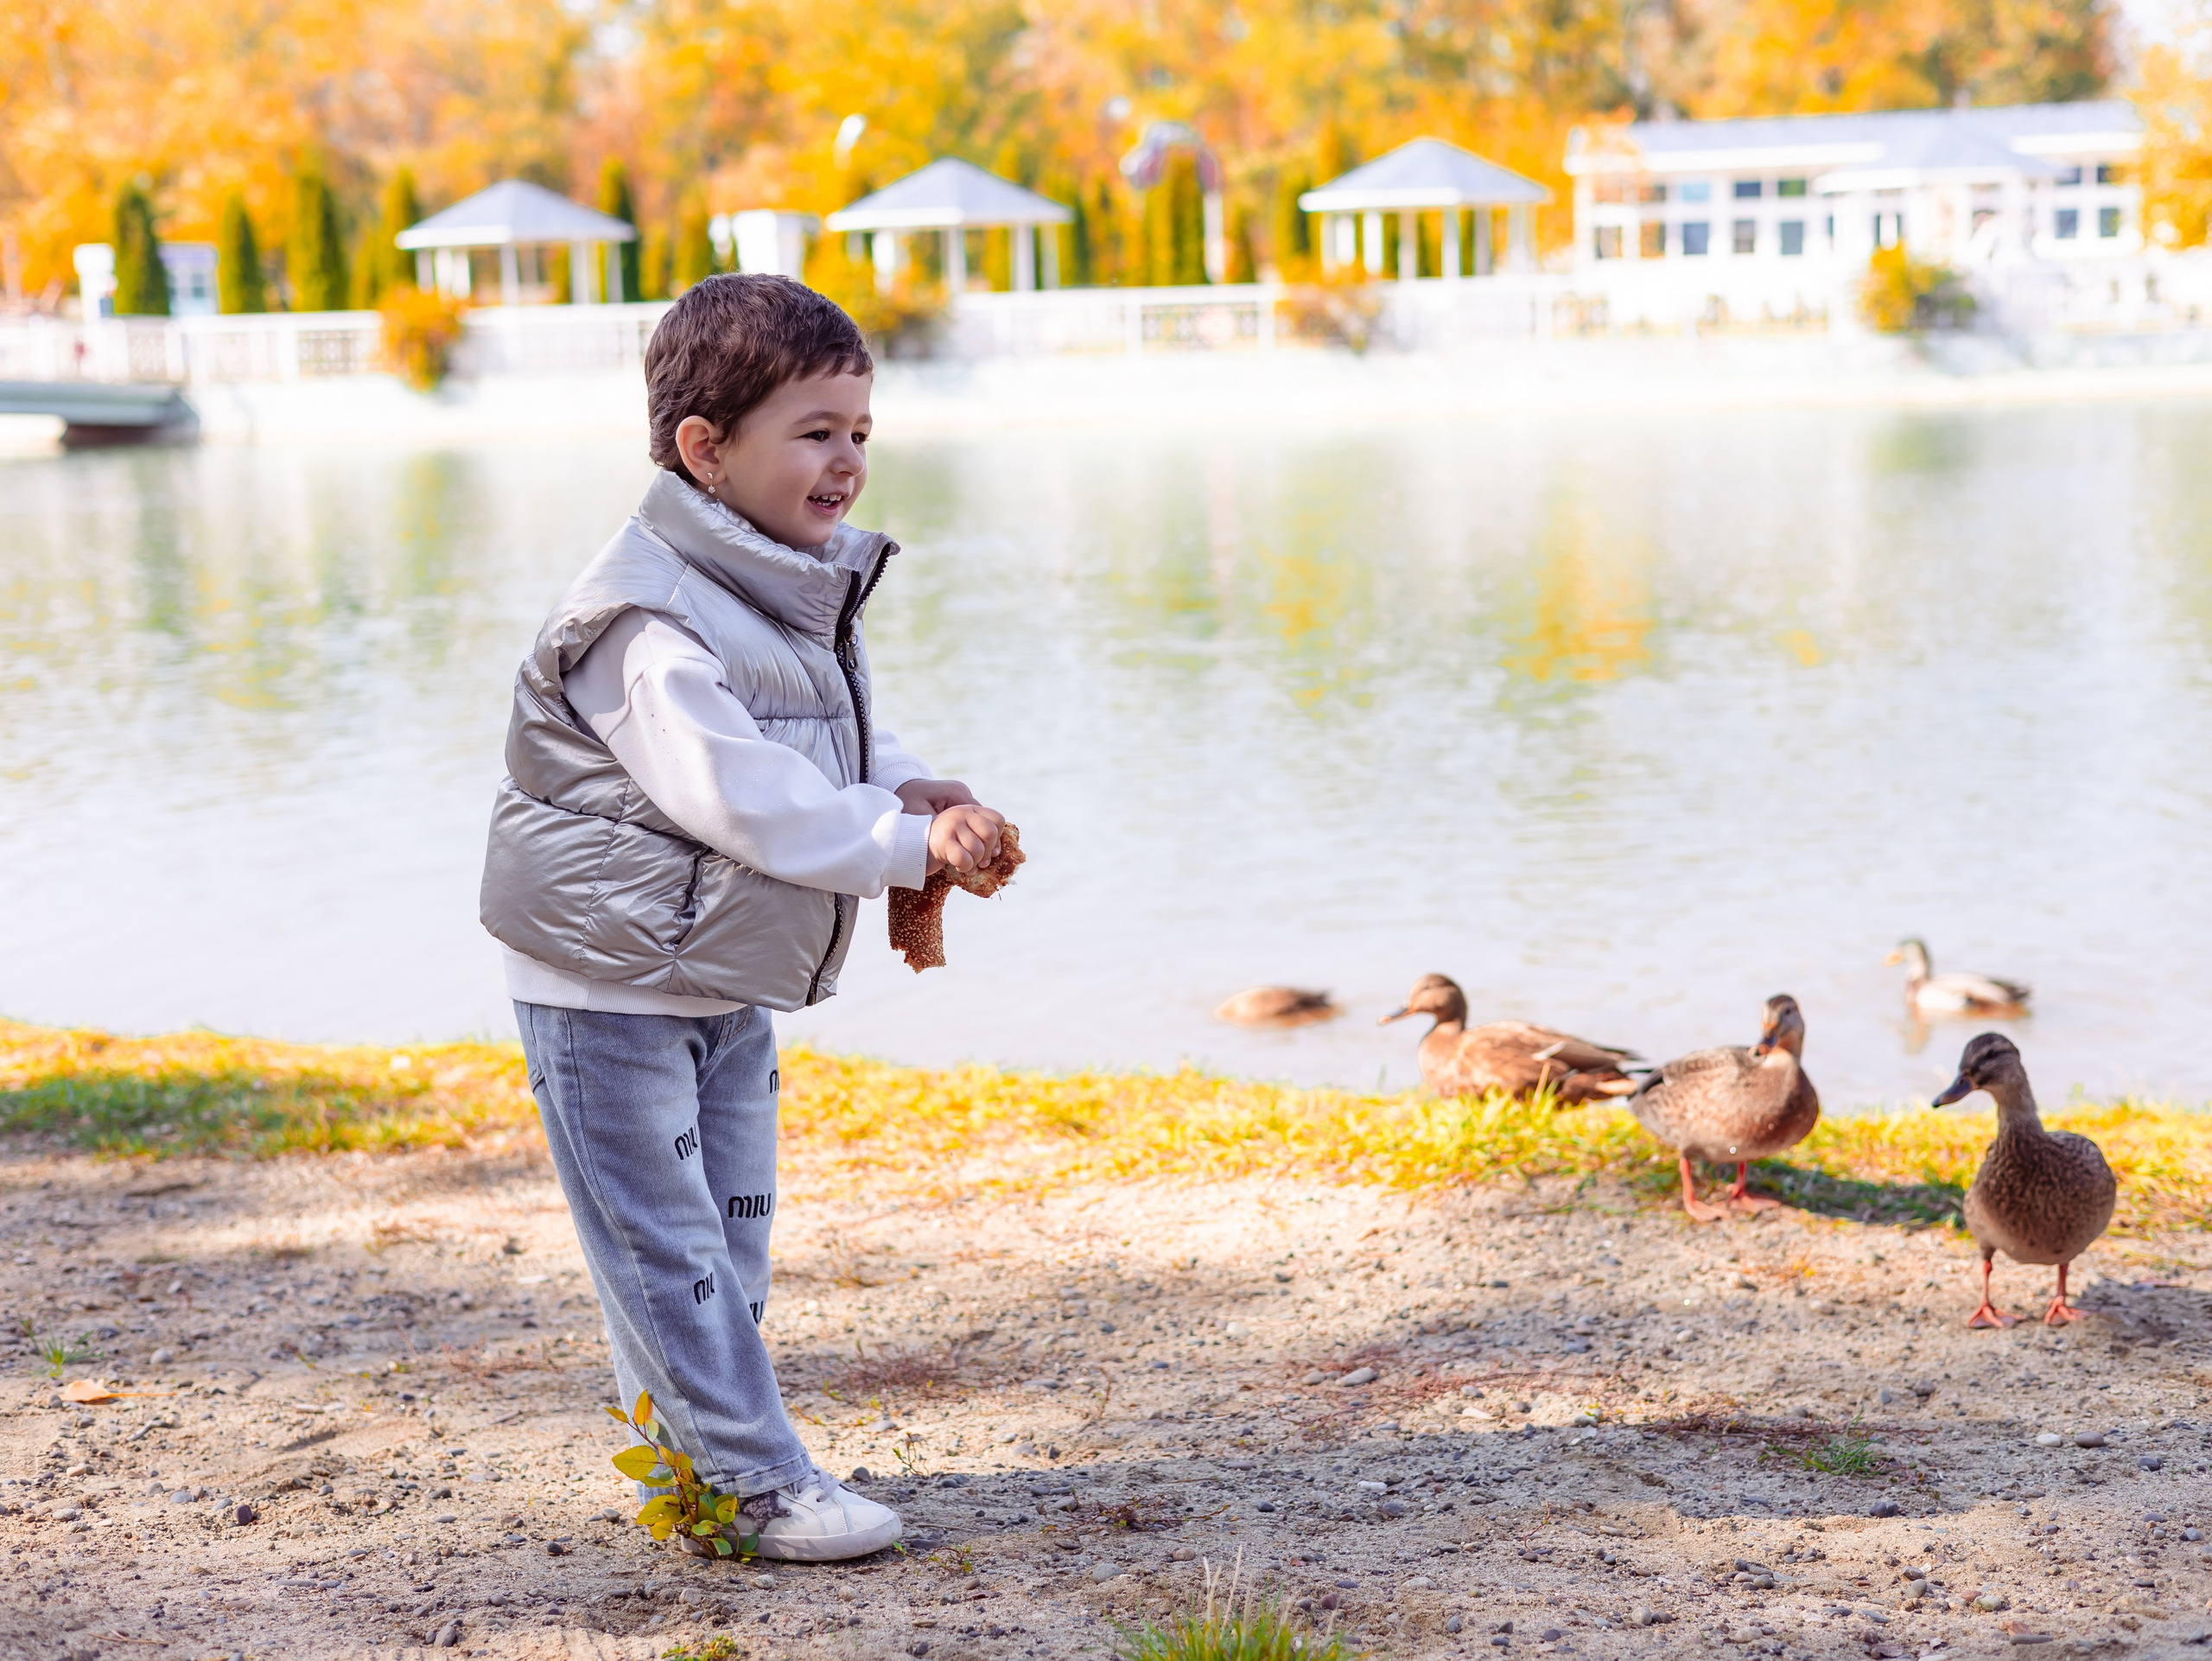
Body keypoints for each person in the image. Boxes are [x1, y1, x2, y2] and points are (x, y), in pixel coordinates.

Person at [479, 274, 1005, 1561]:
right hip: (607, 985)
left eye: (861, 433)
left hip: (711, 968)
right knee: (671, 1249)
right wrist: (894, 844)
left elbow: (814, 745)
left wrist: (902, 786)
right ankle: (759, 1483)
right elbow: (745, 797)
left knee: (732, 1239)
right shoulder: (642, 617)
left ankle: (694, 1470)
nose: (847, 463)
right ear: (705, 448)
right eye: (815, 432)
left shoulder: (777, 576)